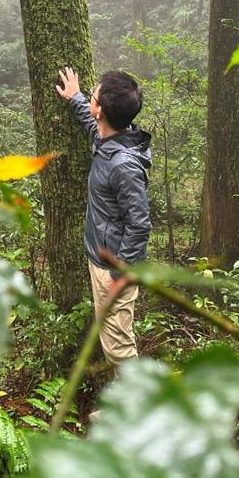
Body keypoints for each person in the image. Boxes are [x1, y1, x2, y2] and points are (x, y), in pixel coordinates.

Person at [56, 67, 152, 364]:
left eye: (92, 96)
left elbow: (139, 225)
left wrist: (118, 275)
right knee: (113, 340)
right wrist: (76, 98)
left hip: (113, 268)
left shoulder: (123, 165)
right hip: (103, 259)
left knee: (118, 347)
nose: (90, 99)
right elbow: (93, 126)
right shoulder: (111, 139)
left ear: (101, 110)